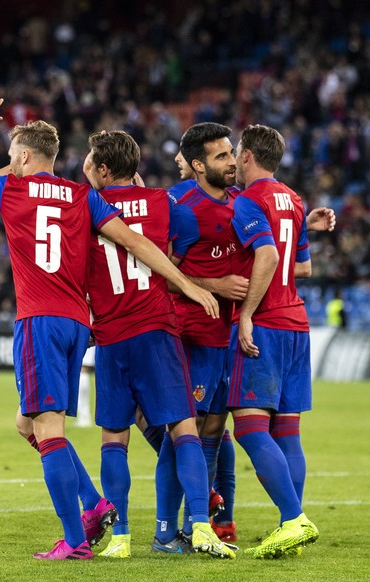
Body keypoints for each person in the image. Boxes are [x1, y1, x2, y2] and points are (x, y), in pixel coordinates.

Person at [0, 96, 224, 560]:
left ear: (26, 157)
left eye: (14, 155)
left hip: (40, 320)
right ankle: (96, 505)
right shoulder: (83, 197)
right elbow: (135, 241)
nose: (10, 162)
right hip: (79, 325)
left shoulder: (12, 190)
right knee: (28, 422)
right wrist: (186, 284)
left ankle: (76, 539)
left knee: (51, 430)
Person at [77, 130, 234, 559]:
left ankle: (122, 537)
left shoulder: (84, 207)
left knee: (115, 437)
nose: (87, 167)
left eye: (92, 162)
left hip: (111, 336)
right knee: (185, 430)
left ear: (103, 169)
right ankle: (201, 526)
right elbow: (177, 250)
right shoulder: (168, 204)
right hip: (158, 331)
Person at [228, 124, 321, 558]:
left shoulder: (248, 200)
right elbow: (300, 268)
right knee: (287, 430)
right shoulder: (294, 199)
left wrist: (245, 313)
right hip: (297, 323)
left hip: (264, 323)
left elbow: (266, 254)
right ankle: (293, 528)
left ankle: (292, 518)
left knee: (248, 427)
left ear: (247, 155)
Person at [161, 122, 247, 546]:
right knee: (185, 426)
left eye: (231, 153)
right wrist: (216, 285)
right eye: (221, 156)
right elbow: (162, 271)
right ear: (197, 165)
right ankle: (175, 526)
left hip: (227, 332)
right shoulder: (179, 205)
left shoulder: (241, 203)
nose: (232, 162)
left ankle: (213, 518)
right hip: (186, 330)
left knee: (216, 425)